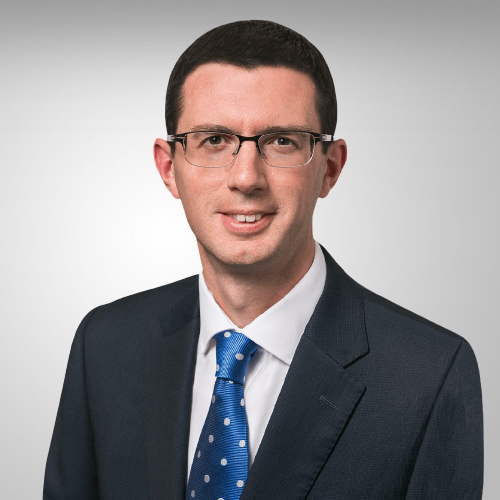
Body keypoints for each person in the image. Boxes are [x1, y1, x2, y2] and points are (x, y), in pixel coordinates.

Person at [43, 20, 483, 500]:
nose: (246, 178)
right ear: (169, 168)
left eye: (281, 141)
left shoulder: (428, 376)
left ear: (330, 168)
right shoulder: (105, 345)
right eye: (214, 140)